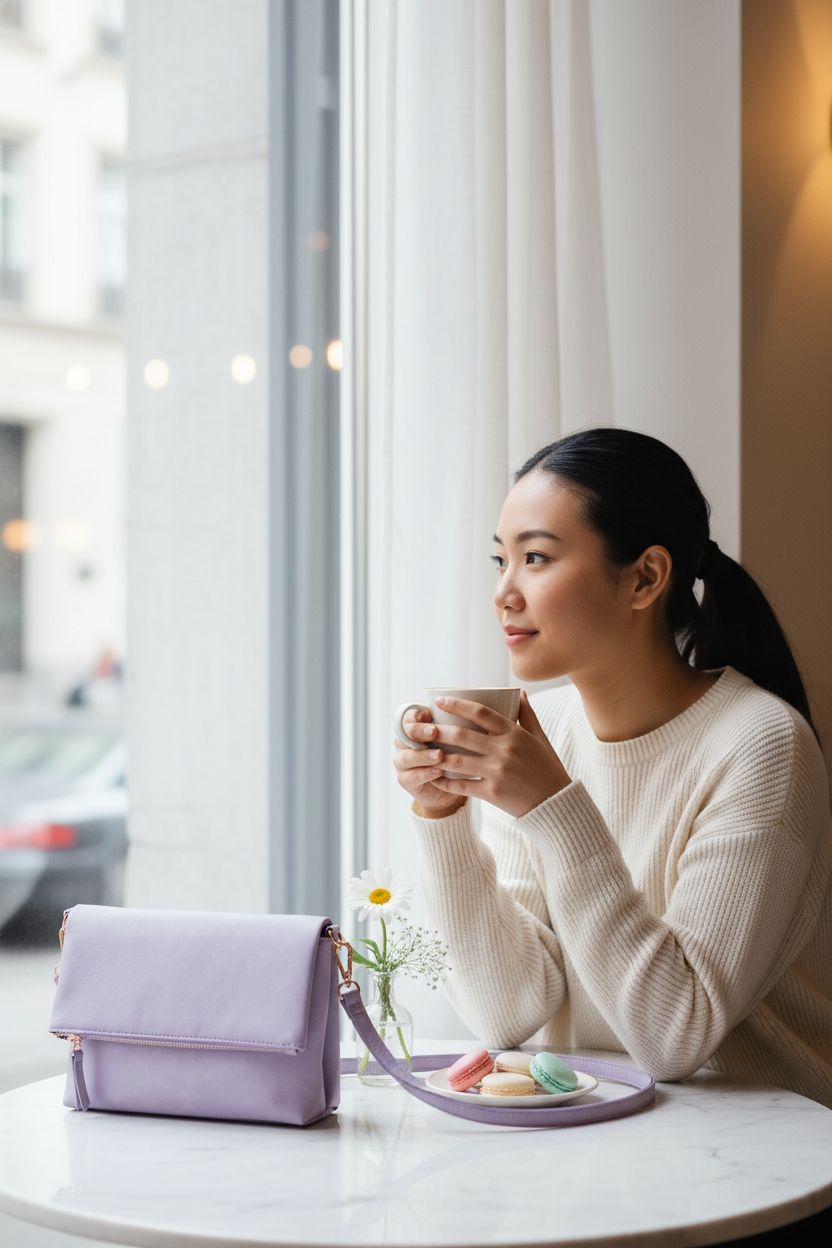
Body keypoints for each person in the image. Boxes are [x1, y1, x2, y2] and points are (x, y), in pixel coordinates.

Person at [393, 426, 832, 1112]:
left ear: (646, 577)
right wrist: (444, 818)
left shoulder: (760, 744)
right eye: (499, 560)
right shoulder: (548, 731)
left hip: (768, 1160)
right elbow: (507, 1011)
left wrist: (553, 809)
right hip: (603, 1143)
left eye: (535, 558)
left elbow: (673, 1036)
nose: (504, 592)